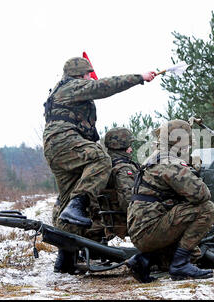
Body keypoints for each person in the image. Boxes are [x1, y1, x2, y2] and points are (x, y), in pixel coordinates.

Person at [44, 56, 156, 273]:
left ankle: (65, 261)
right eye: (88, 74)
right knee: (100, 159)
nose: (89, 78)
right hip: (64, 141)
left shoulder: (62, 91)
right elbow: (105, 86)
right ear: (80, 74)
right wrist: (139, 78)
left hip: (57, 147)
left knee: (67, 202)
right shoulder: (72, 86)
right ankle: (79, 203)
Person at [126, 119, 214, 282]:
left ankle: (143, 260)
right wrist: (192, 171)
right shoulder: (171, 163)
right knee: (207, 209)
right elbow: (202, 195)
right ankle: (180, 266)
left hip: (140, 230)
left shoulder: (155, 158)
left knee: (194, 254)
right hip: (149, 231)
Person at [98, 127, 140, 240]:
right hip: (126, 226)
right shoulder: (123, 169)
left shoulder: (104, 165)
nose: (131, 149)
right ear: (124, 147)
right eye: (129, 146)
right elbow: (129, 202)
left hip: (111, 223)